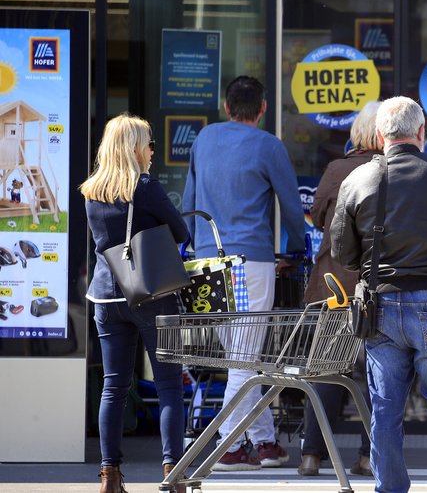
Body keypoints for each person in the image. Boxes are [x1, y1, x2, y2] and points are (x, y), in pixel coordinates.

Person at [331, 96, 427, 493]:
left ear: (380, 135)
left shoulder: (357, 180)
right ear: (421, 133)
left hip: (379, 309)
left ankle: (390, 489)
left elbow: (342, 254)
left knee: (385, 410)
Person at [183, 75, 306, 471]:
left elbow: (188, 199)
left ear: (225, 106)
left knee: (241, 357)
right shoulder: (268, 145)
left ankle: (265, 443)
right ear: (264, 108)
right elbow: (290, 205)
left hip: (206, 262)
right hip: (249, 262)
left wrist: (189, 247)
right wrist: (299, 249)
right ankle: (229, 447)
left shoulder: (203, 140)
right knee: (244, 358)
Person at [82, 113, 189, 493]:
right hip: (150, 295)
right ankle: (172, 474)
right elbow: (181, 231)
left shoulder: (92, 191)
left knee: (114, 387)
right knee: (169, 387)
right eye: (148, 143)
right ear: (133, 148)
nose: (152, 151)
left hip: (105, 296)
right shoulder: (145, 187)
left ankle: (110, 476)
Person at [297, 101, 382, 477]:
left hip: (333, 284)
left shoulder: (337, 169)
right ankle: (368, 456)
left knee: (325, 371)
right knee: (377, 374)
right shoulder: (393, 170)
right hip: (377, 287)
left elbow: (317, 218)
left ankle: (311, 455)